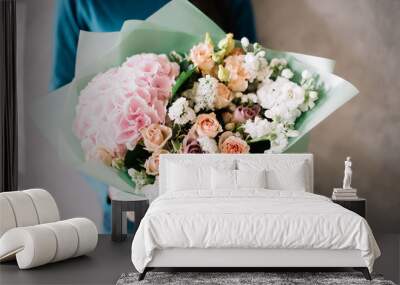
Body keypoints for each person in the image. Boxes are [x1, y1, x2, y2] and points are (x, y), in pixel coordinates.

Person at [50, 0, 257, 233]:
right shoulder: (80, 3)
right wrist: (109, 186)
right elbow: (63, 98)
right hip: (128, 208)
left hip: (213, 199)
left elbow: (251, 74)